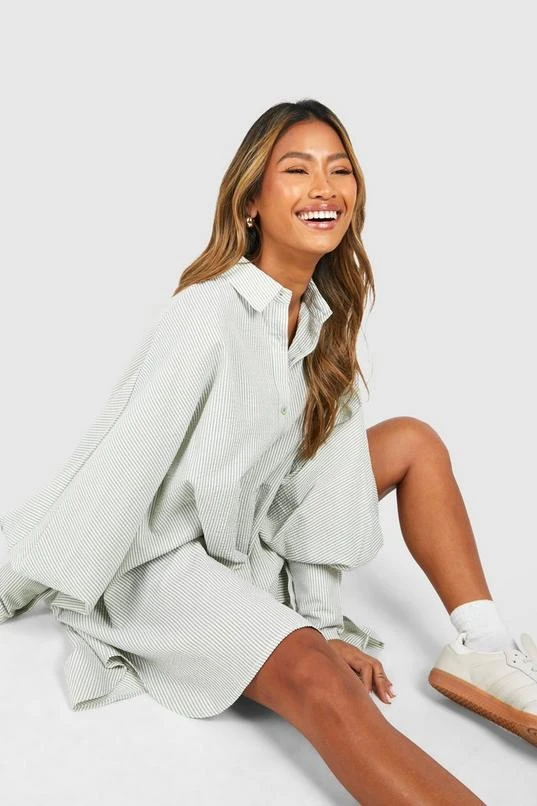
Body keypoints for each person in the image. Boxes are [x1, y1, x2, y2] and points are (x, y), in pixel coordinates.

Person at [0, 98, 535, 804]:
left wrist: (320, 620)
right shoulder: (207, 313)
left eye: (339, 170)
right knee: (315, 677)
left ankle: (484, 649)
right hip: (163, 562)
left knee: (412, 441)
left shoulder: (324, 323)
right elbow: (115, 465)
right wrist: (14, 581)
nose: (324, 188)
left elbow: (326, 490)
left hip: (248, 535)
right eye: (298, 170)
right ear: (251, 201)